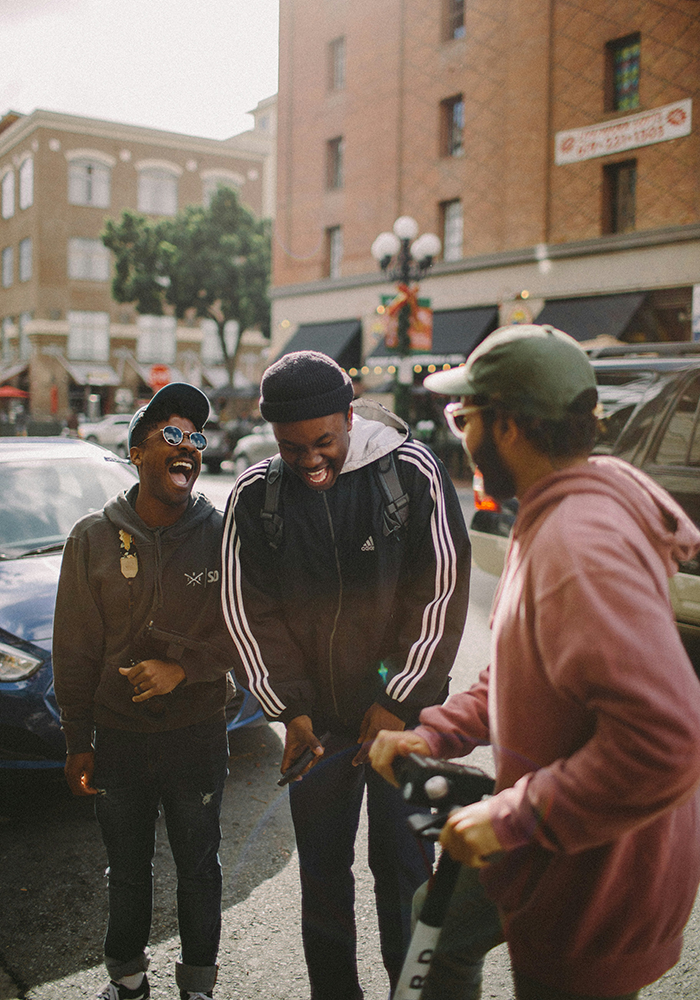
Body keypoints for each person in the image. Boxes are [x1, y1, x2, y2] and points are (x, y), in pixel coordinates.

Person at [370, 324, 700, 1000]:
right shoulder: (552, 513)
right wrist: (437, 733)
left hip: (595, 872)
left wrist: (512, 817)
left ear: (510, 426)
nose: (461, 435)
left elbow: (668, 739)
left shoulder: (578, 547)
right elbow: (528, 669)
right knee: (439, 927)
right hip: (551, 841)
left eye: (464, 417)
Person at [221, 350, 471, 999]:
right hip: (318, 730)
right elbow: (248, 612)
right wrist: (292, 711)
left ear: (350, 417)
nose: (309, 460)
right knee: (323, 880)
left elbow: (440, 592)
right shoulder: (255, 496)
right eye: (291, 446)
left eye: (324, 441)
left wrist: (397, 698)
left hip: (402, 725)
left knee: (407, 877)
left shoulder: (411, 472)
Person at [53, 383, 235, 1000]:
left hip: (197, 734)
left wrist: (185, 669)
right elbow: (74, 651)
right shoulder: (92, 538)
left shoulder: (221, 533)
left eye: (196, 438)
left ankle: (198, 987)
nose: (189, 448)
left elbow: (250, 631)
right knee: (127, 870)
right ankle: (127, 980)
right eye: (172, 435)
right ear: (136, 454)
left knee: (199, 868)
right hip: (120, 738)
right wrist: (78, 741)